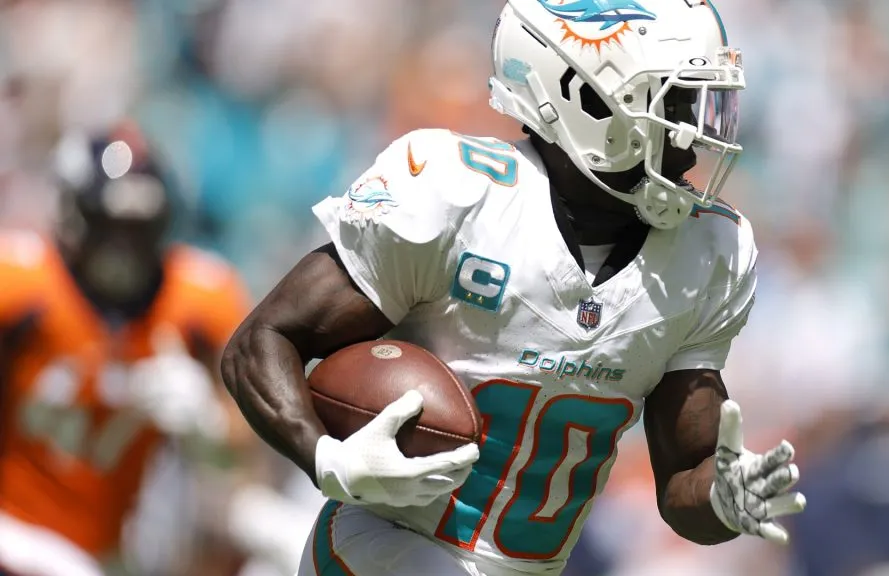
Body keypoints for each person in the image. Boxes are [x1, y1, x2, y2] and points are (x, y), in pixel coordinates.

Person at [221, 1, 807, 574]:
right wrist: (327, 458)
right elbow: (264, 339)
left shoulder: (709, 254)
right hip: (379, 547)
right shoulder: (460, 197)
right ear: (589, 101)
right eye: (674, 107)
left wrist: (725, 497)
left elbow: (685, 481)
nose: (694, 137)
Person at [0, 123, 250, 576]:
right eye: (108, 224)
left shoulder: (197, 300)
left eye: (140, 228)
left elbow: (246, 447)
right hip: (15, 535)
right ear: (71, 215)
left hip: (117, 554)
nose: (125, 248)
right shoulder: (22, 284)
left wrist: (207, 423)